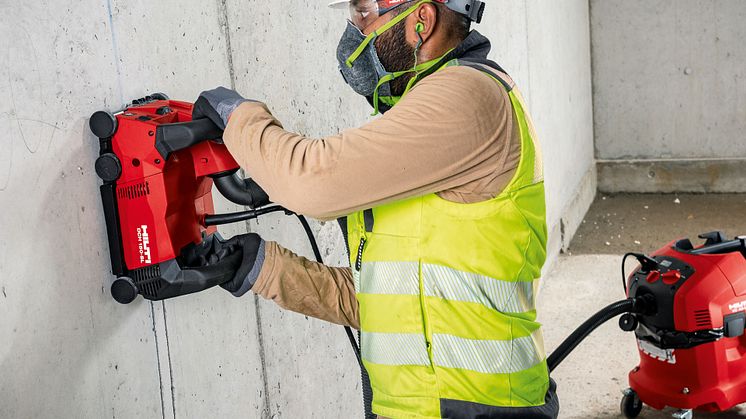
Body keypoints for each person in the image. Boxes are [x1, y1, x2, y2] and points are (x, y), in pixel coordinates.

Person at [194, 0, 559, 417]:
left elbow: (312, 182)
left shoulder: (467, 96)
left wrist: (238, 117)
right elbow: (392, 301)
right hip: (436, 405)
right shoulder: (428, 112)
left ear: (421, 19)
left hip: (476, 407)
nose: (355, 29)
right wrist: (266, 269)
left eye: (364, 12)